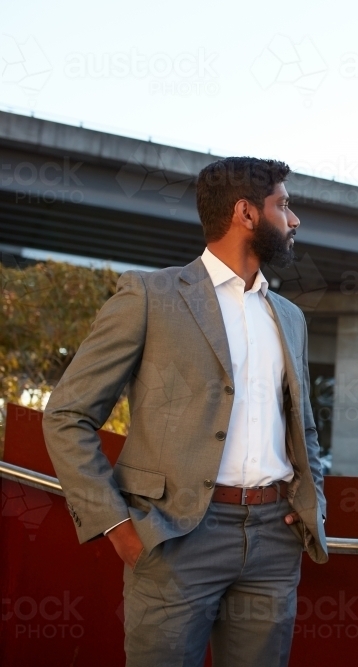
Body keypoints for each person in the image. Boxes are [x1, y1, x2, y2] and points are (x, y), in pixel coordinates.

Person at [43, 157, 328, 667]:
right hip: (175, 537)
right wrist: (117, 526)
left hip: (273, 538)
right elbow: (66, 414)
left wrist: (313, 504)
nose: (294, 219)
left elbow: (303, 426)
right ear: (245, 213)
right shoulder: (149, 296)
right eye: (283, 205)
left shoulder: (289, 316)